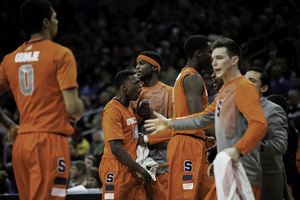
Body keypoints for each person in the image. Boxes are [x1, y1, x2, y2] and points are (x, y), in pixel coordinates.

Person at [145, 38, 268, 200]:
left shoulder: (237, 87)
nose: (213, 61)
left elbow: (257, 125)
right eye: (212, 55)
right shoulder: (194, 78)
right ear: (198, 53)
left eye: (218, 57)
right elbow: (200, 118)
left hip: (201, 145)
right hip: (189, 144)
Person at [0, 0, 84, 199]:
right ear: (46, 22)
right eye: (54, 18)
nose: (57, 23)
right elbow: (73, 109)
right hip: (49, 142)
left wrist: (9, 124)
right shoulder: (60, 54)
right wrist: (79, 107)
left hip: (21, 144)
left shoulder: (10, 59)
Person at [99, 70, 151, 200]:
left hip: (130, 166)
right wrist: (141, 170)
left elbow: (128, 129)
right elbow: (116, 148)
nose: (140, 86)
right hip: (116, 167)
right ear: (124, 86)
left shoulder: (127, 107)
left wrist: (139, 115)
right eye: (136, 83)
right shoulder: (112, 110)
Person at [130, 51, 172, 200]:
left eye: (142, 63)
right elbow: (128, 125)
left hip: (160, 155)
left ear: (154, 67)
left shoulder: (169, 92)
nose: (137, 67)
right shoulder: (133, 93)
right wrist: (139, 114)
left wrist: (146, 139)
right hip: (136, 154)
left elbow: (175, 127)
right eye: (136, 64)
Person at [245, 67, 288, 200]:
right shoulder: (237, 108)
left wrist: (250, 145)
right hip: (242, 176)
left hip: (267, 177)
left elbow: (280, 146)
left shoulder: (273, 110)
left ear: (263, 88)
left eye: (251, 81)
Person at [267, 94, 300, 200]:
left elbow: (287, 158)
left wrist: (289, 188)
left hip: (287, 182)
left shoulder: (284, 128)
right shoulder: (286, 126)